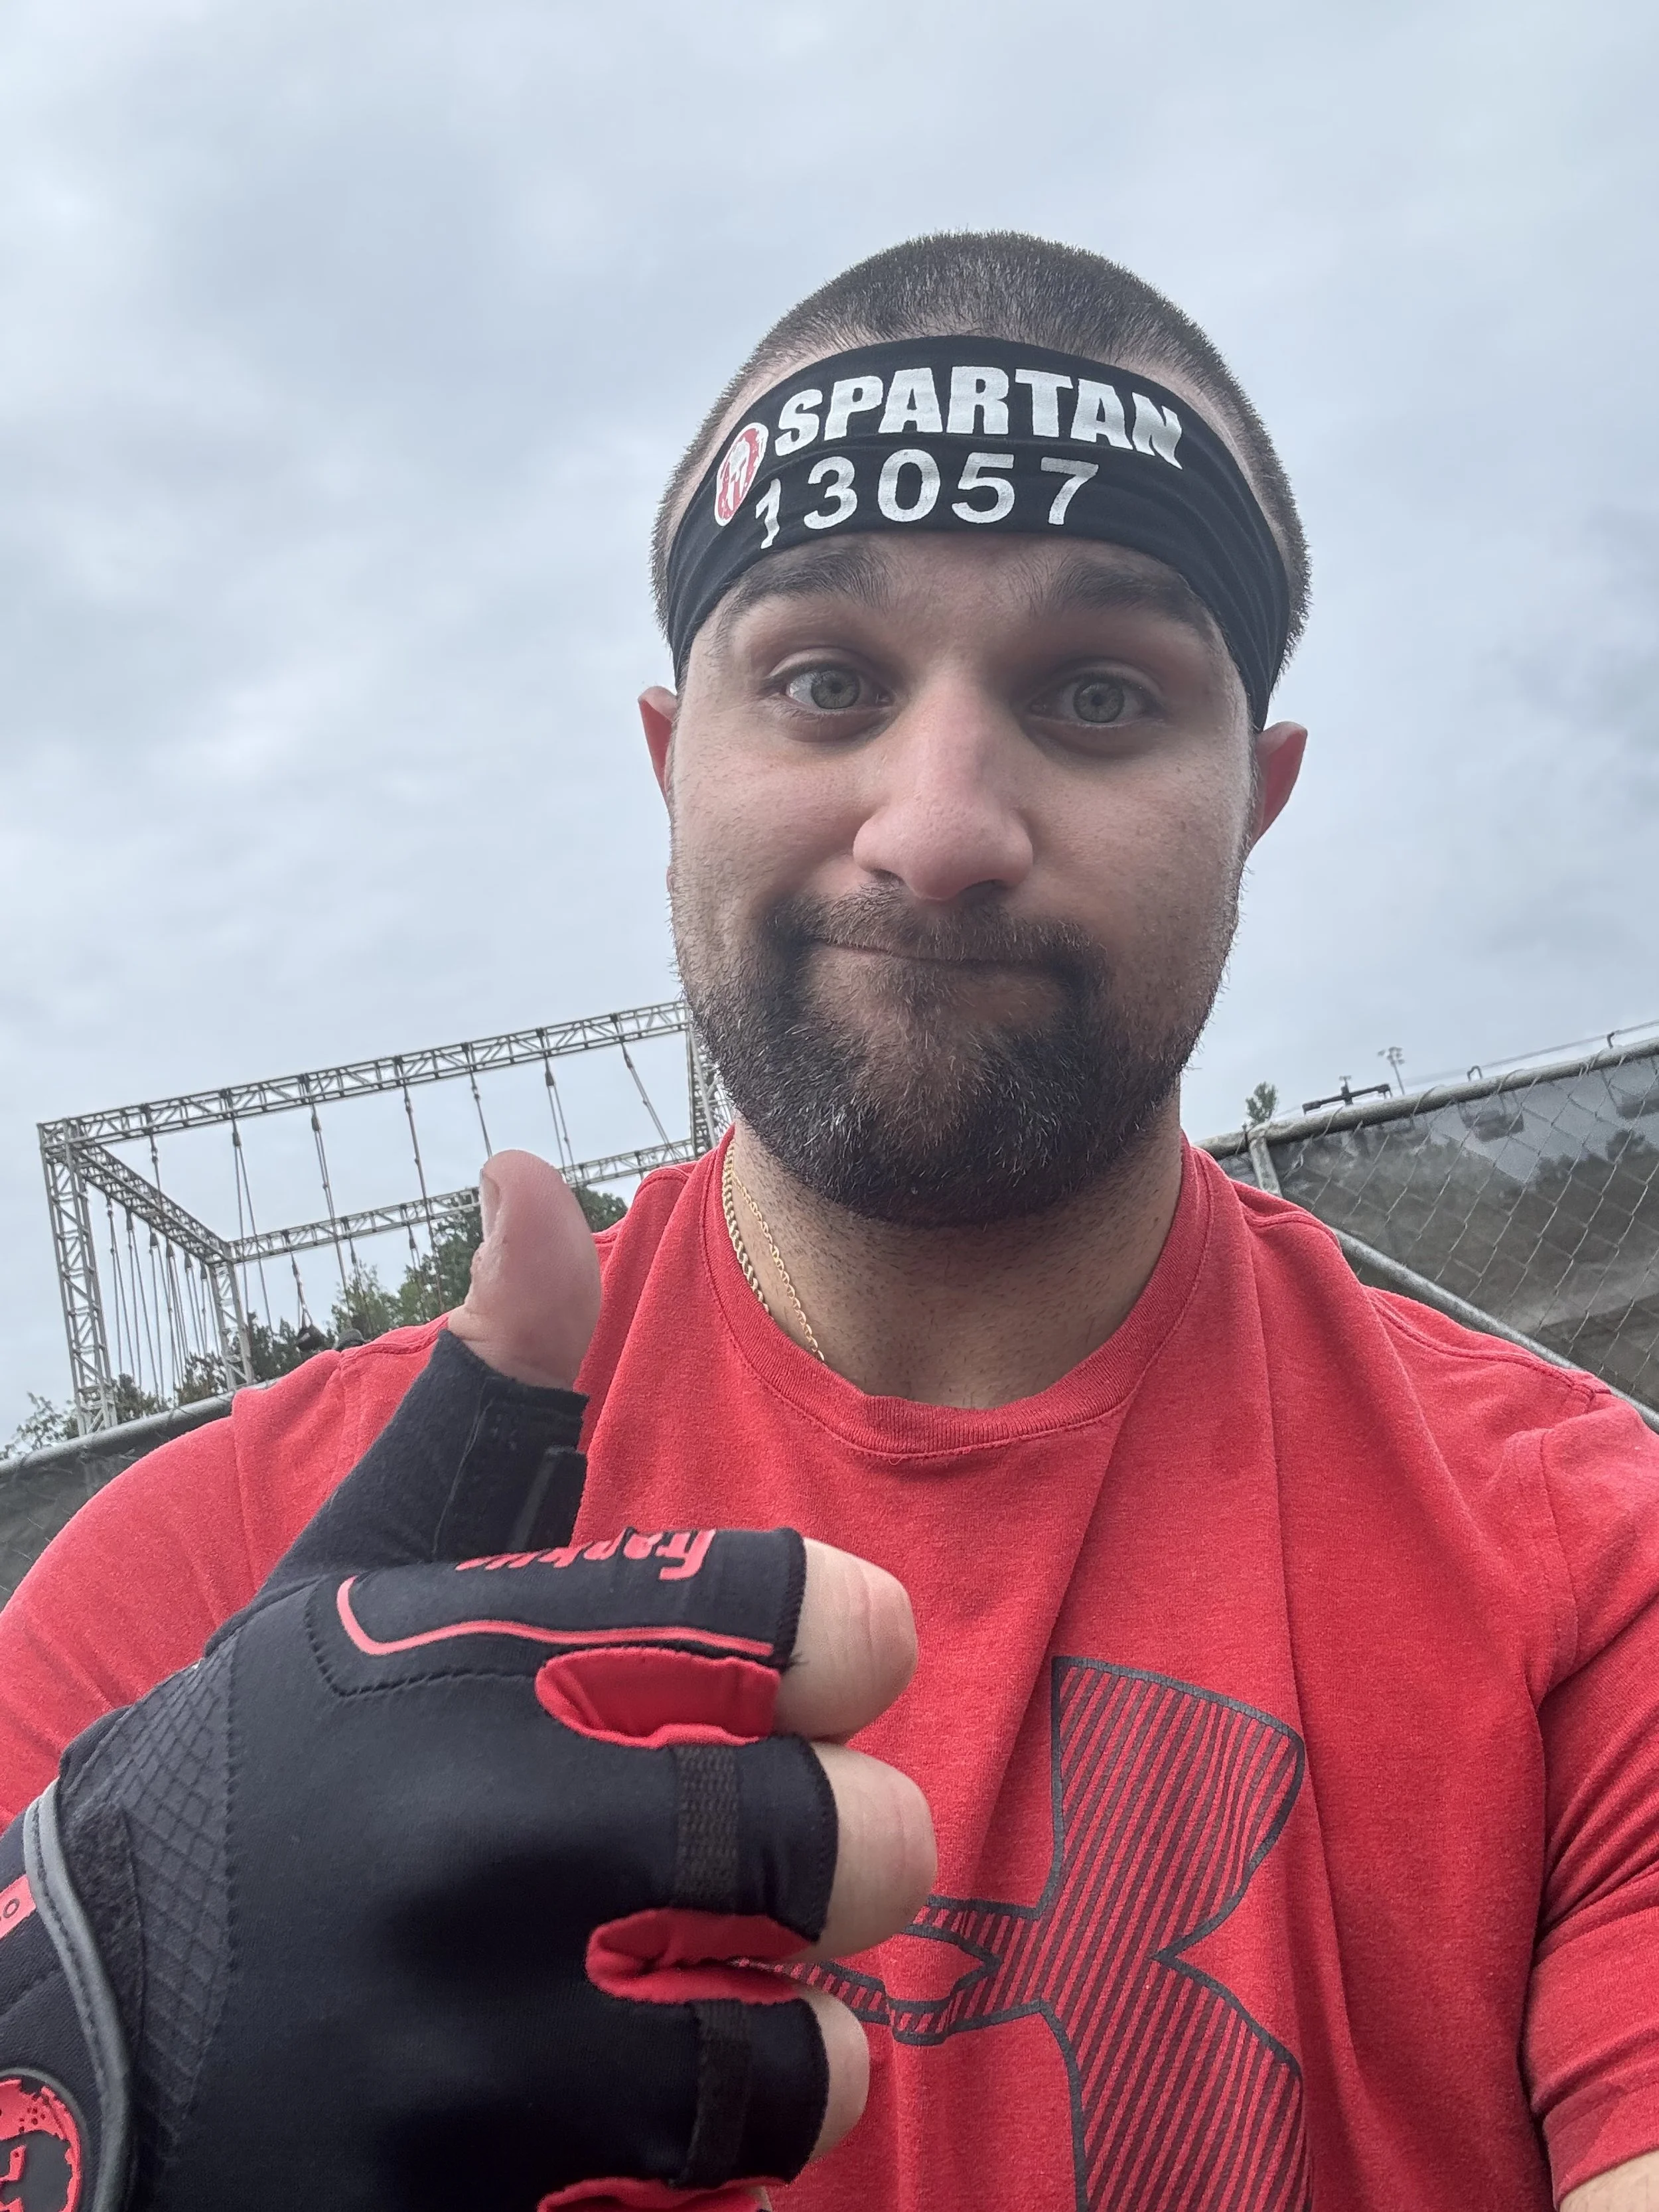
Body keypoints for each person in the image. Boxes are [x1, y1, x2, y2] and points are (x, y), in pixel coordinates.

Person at [3, 230, 1658, 2211]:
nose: (940, 822)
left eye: (1101, 692)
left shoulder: (1586, 1569)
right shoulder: (194, 1604)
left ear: (1258, 798)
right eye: (820, 679)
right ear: (669, 760)